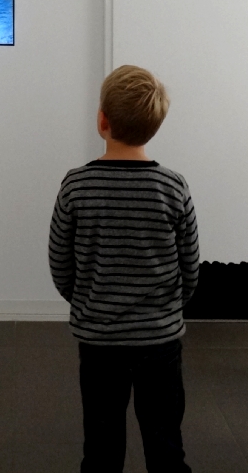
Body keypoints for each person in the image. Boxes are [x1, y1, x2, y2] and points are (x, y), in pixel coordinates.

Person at [49, 65, 200, 473]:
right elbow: (190, 267)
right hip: (160, 340)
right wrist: (168, 309)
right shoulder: (173, 187)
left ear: (102, 121)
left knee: (100, 445)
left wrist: (86, 300)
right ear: (155, 126)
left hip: (99, 340)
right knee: (166, 441)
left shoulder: (76, 185)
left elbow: (60, 264)